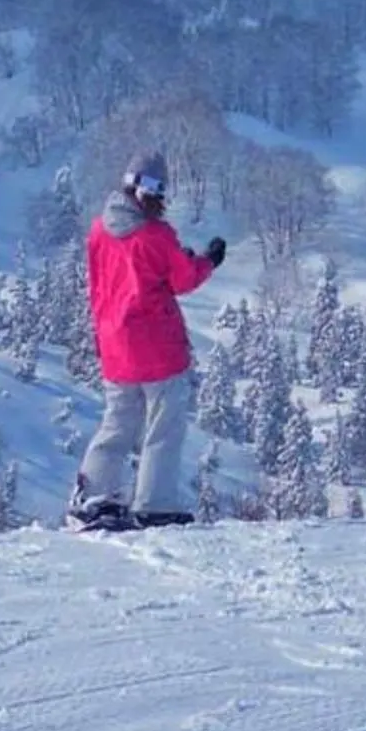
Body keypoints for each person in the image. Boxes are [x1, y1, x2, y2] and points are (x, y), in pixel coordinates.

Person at [70, 152, 223, 530]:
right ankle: (153, 505)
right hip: (157, 347)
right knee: (163, 428)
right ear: (145, 190)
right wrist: (207, 261)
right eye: (157, 192)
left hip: (115, 345)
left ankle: (91, 496)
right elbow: (183, 279)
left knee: (117, 423)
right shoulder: (155, 235)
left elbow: (112, 278)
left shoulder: (99, 230)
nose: (160, 200)